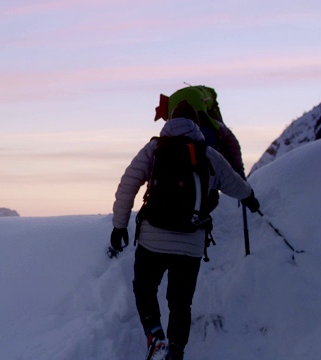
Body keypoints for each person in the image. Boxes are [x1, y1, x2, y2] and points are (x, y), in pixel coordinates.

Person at [110, 100, 260, 359]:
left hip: (152, 239)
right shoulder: (209, 154)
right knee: (180, 302)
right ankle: (176, 350)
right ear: (197, 124)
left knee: (144, 288)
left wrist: (119, 226)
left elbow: (128, 184)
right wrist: (250, 199)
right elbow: (235, 184)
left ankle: (156, 337)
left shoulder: (155, 148)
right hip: (191, 242)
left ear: (170, 122)